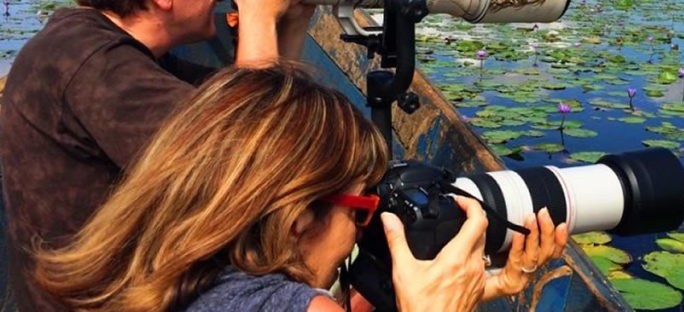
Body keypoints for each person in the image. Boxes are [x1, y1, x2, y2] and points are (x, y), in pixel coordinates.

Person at [0, 0, 314, 311]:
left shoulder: (120, 54)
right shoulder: (91, 62)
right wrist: (257, 13)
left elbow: (252, 107)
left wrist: (288, 26)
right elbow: (246, 167)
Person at [33, 64, 568, 311]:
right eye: (361, 210)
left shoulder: (150, 269)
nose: (363, 229)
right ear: (296, 220)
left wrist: (479, 285)